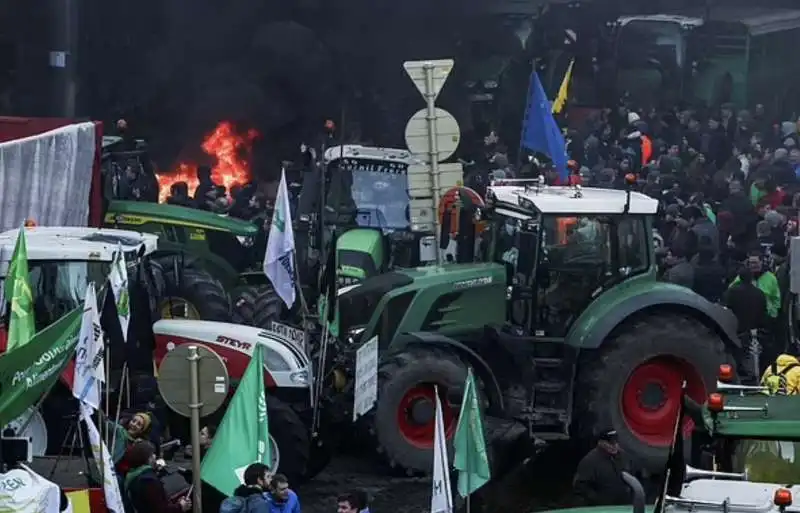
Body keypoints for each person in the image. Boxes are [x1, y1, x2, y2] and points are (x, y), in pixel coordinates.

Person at [124, 441, 191, 513]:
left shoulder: (133, 474)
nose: (154, 456)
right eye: (152, 454)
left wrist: (177, 504)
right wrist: (180, 507)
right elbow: (161, 510)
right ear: (147, 459)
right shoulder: (149, 481)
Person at [572, 430, 631, 506]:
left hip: (624, 507)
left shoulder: (624, 456)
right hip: (602, 508)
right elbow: (580, 486)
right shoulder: (590, 461)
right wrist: (598, 500)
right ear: (600, 442)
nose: (614, 446)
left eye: (616, 442)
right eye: (610, 442)